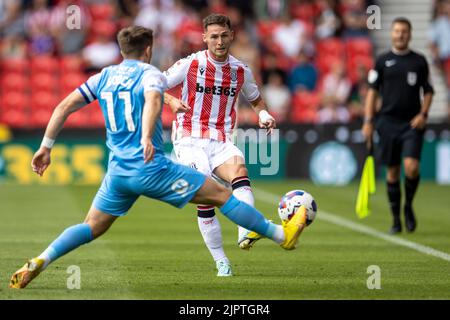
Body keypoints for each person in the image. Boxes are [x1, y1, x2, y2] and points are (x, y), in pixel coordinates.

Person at [9, 26, 307, 289]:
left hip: (117, 173)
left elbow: (63, 107)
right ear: (148, 49)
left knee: (91, 226)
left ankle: (42, 259)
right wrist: (145, 136)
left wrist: (45, 147)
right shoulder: (149, 73)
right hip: (150, 167)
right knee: (220, 194)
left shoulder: (104, 76)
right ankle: (282, 235)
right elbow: (153, 99)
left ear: (121, 49)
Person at [162, 13, 277, 277]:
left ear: (232, 36)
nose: (220, 41)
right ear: (204, 38)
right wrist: (171, 102)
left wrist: (263, 114)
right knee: (207, 195)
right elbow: (155, 85)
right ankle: (221, 261)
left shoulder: (240, 70)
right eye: (214, 36)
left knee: (240, 173)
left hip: (222, 139)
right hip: (189, 139)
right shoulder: (190, 64)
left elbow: (256, 100)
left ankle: (245, 231)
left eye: (224, 35)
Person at [362, 17, 434, 234]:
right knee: (392, 173)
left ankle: (408, 206)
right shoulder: (382, 61)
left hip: (412, 123)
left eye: (404, 31)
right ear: (392, 34)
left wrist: (423, 114)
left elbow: (429, 91)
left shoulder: (419, 61)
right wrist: (368, 121)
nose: (400, 34)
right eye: (396, 31)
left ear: (410, 34)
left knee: (412, 167)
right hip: (387, 123)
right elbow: (372, 93)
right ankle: (396, 220)